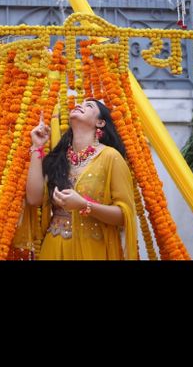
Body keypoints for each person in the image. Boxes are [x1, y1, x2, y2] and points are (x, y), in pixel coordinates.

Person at [26, 99, 138, 260]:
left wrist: (85, 205)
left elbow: (124, 216)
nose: (79, 105)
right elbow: (33, 198)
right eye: (80, 104)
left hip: (93, 250)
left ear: (100, 122)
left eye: (89, 106)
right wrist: (37, 147)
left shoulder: (110, 157)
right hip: (54, 247)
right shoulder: (59, 159)